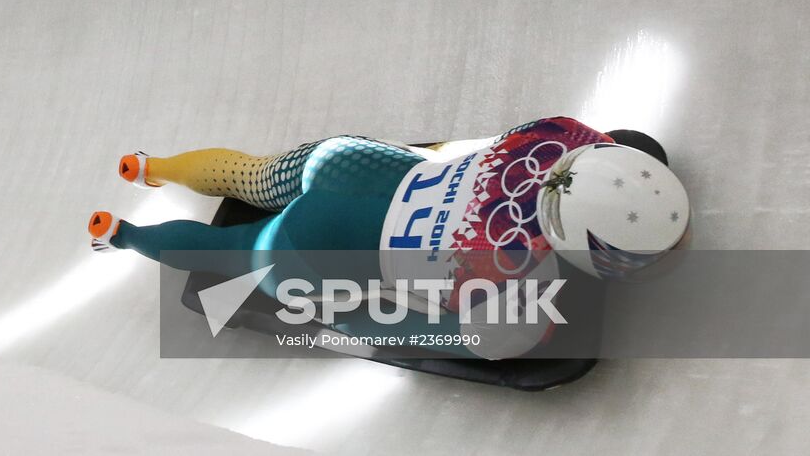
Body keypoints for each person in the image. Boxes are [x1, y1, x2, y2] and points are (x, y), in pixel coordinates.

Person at [88, 117, 691, 359]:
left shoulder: (561, 131)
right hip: (318, 244)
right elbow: (418, 332)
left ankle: (152, 166)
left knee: (250, 173)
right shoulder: (519, 296)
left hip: (352, 168)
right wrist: (340, 320)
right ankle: (127, 235)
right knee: (229, 253)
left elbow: (473, 149)